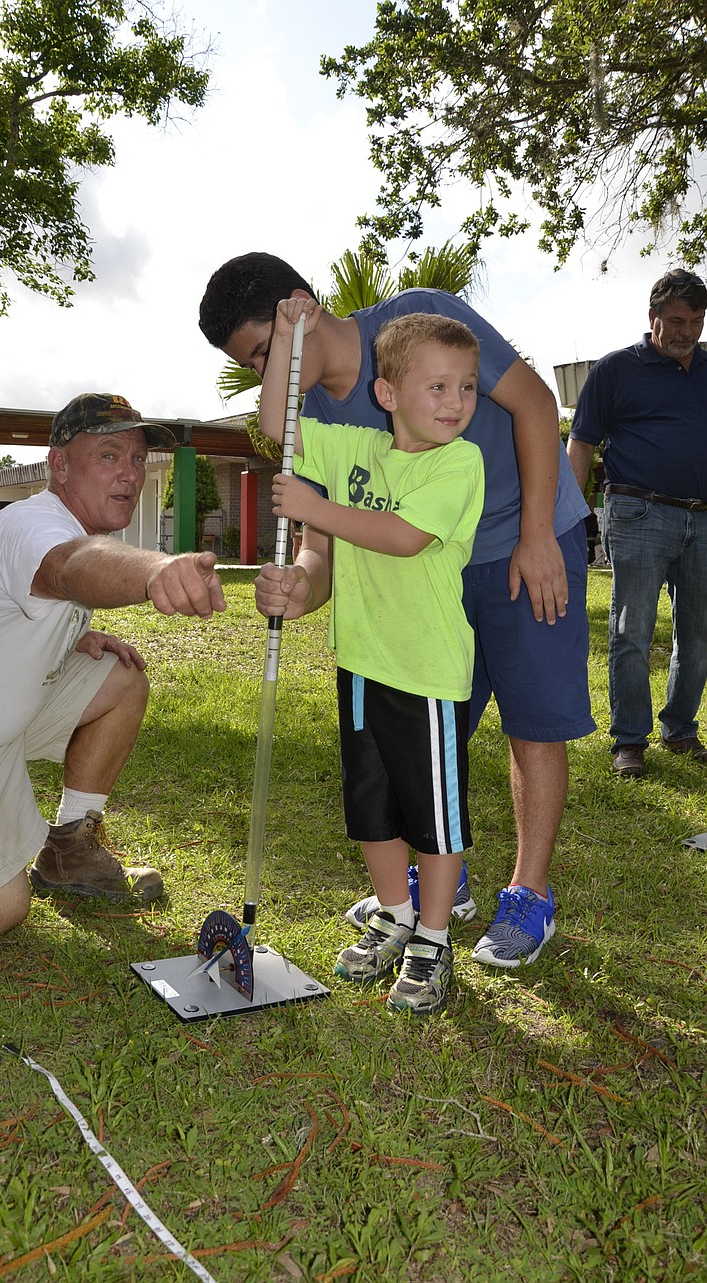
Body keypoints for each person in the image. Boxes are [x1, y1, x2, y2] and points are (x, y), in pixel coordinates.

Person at [199, 252, 595, 968]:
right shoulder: (314, 412)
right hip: (424, 580)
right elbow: (322, 544)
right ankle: (450, 879)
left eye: (263, 352)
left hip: (519, 529)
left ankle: (528, 894)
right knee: (429, 732)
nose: (266, 372)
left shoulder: (418, 323)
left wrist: (539, 535)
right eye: (256, 364)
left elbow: (536, 403)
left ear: (300, 309)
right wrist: (301, 585)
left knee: (533, 719)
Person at [0, 393, 226, 937]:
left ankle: (69, 848)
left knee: (122, 679)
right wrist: (156, 571)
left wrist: (74, 634)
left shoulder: (62, 526)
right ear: (58, 465)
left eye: (137, 459)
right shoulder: (34, 527)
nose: (129, 473)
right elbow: (70, 568)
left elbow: (41, 595)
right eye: (108, 456)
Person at [260, 299, 484, 1013]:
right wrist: (291, 336)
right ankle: (394, 913)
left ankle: (434, 938)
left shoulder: (461, 464)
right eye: (438, 386)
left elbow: (402, 536)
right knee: (372, 806)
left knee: (433, 817)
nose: (456, 402)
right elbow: (276, 426)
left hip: (426, 672)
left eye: (466, 387)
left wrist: (313, 508)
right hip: (360, 661)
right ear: (387, 394)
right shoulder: (354, 447)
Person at [568, 269, 707, 778]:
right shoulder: (614, 370)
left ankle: (680, 728)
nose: (686, 331)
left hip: (704, 520)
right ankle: (629, 739)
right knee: (633, 630)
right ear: (653, 317)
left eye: (695, 321)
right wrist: (570, 512)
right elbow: (580, 442)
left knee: (700, 634)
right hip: (638, 512)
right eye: (675, 320)